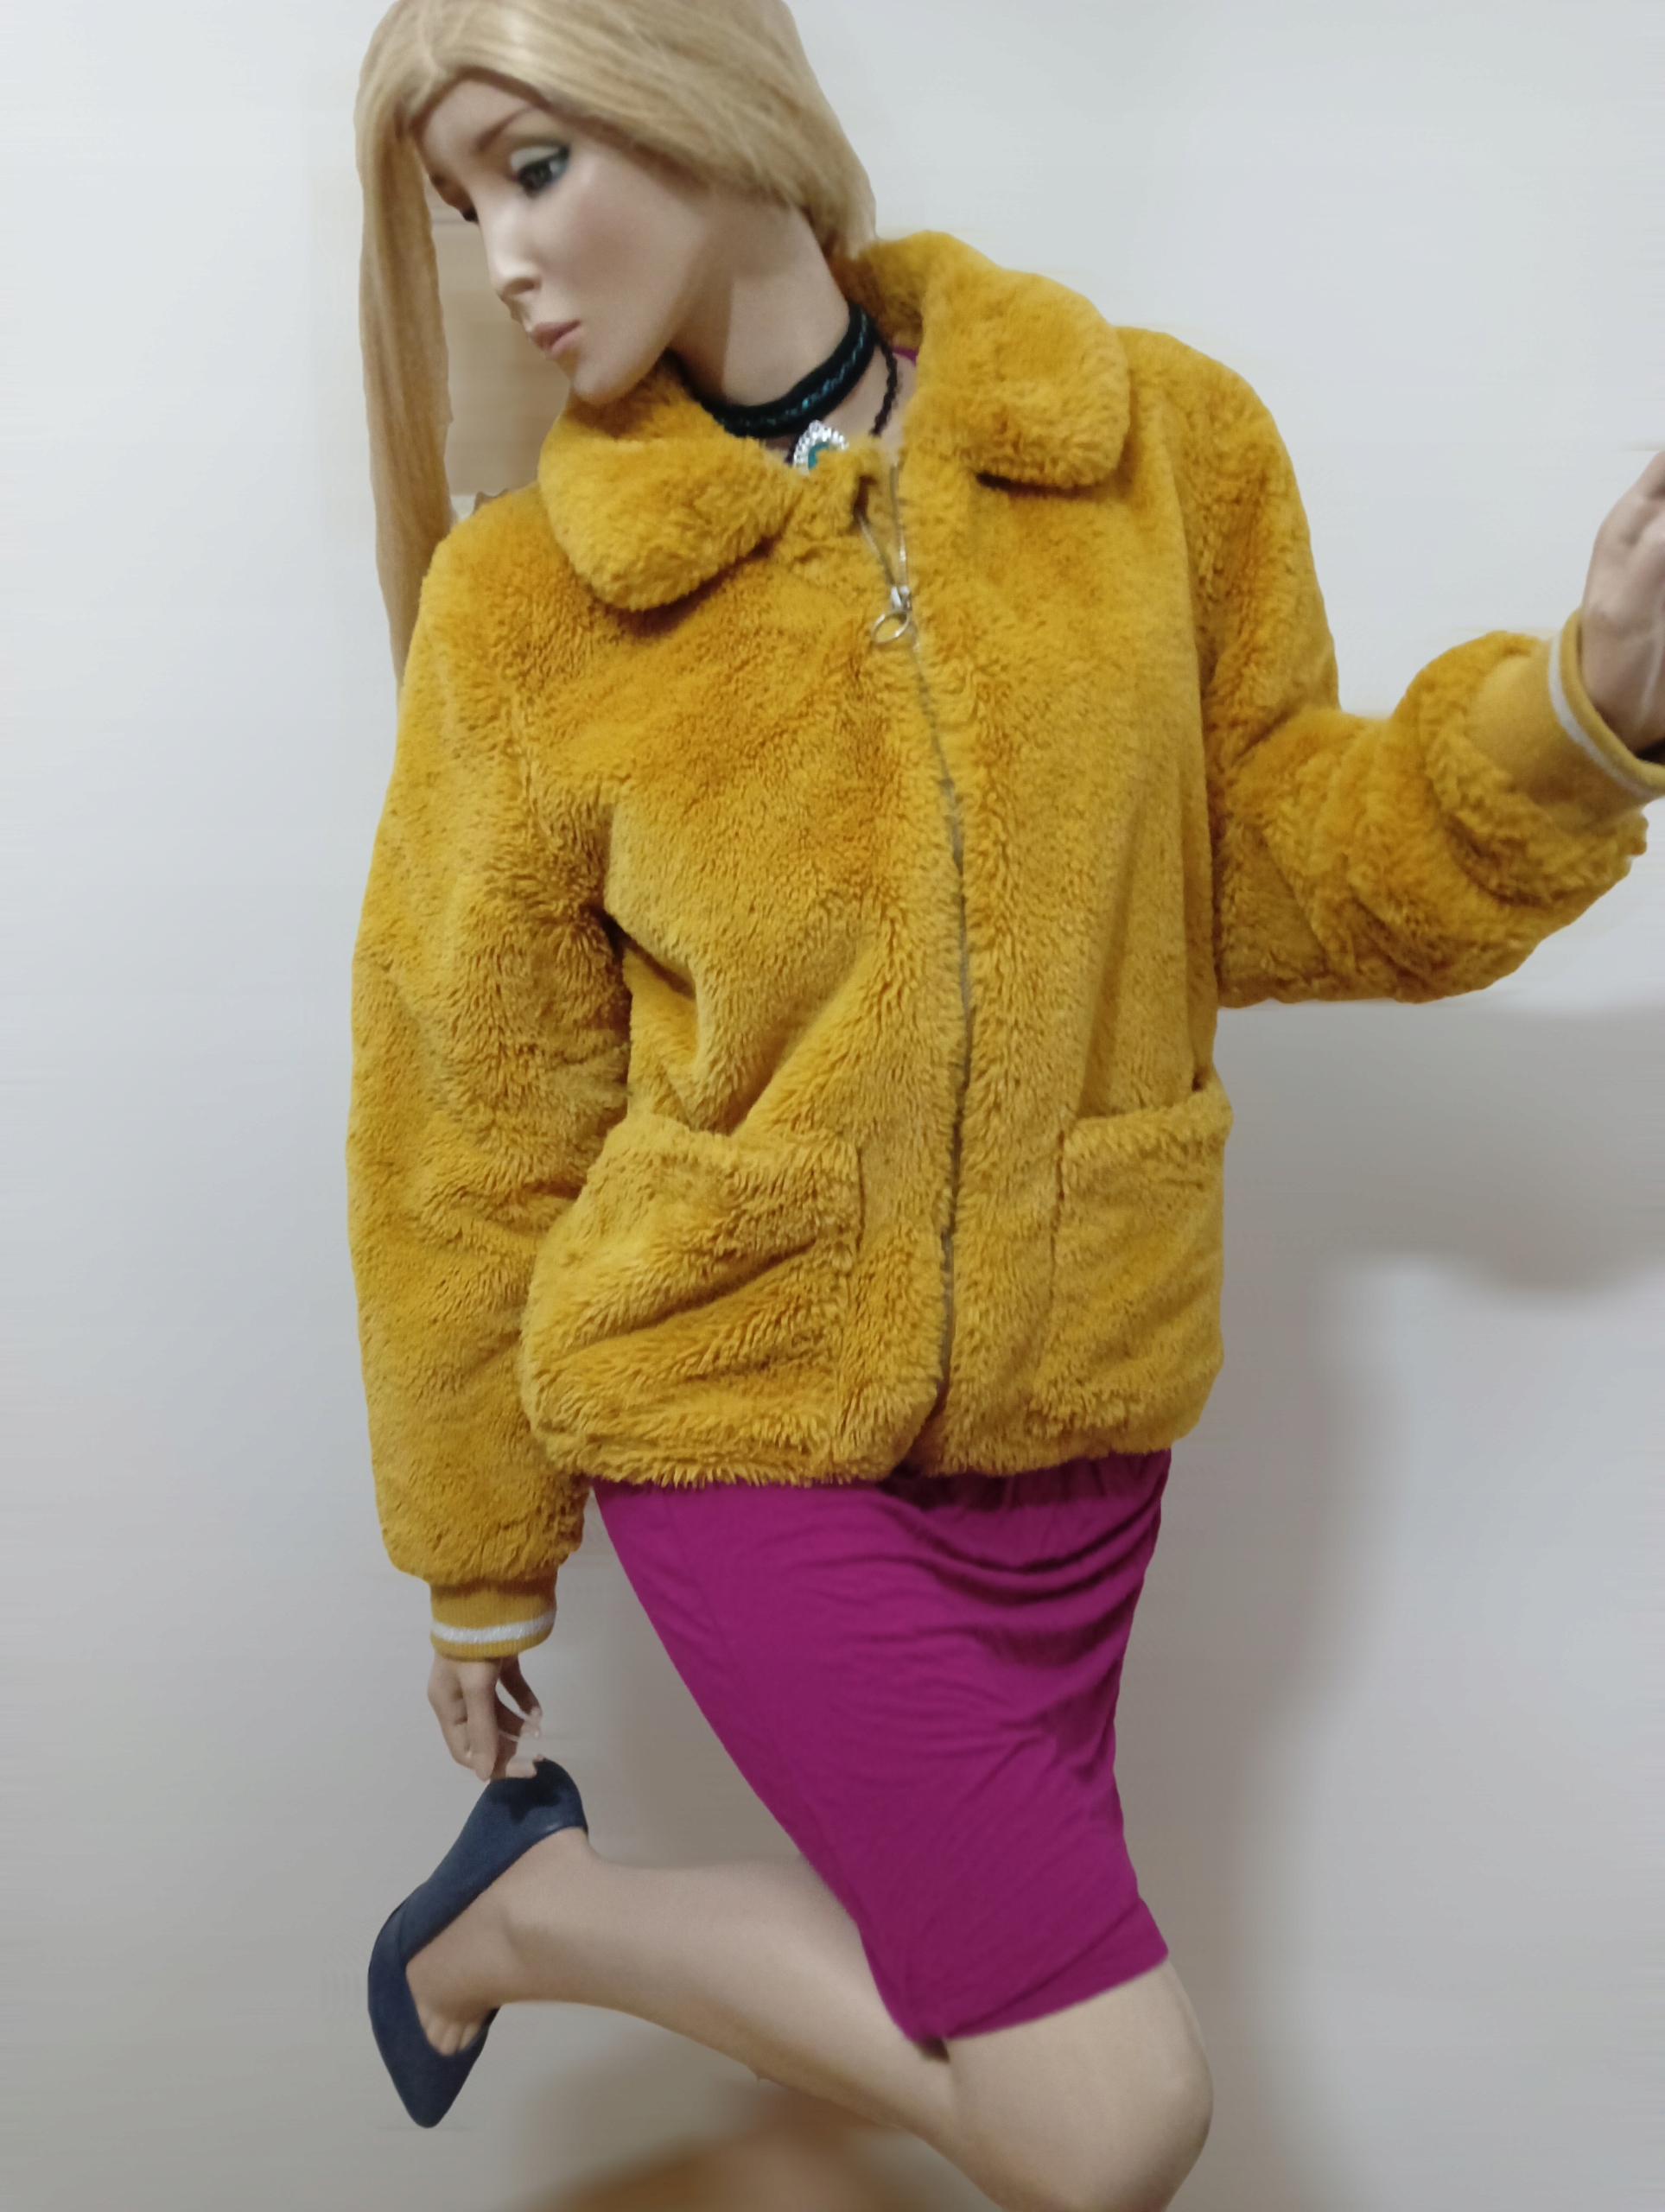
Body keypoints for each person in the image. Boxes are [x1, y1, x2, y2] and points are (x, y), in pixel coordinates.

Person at [346, 2, 1665, 2203]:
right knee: (1104, 2107)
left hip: (1076, 1427)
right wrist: (478, 1559)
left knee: (980, 2051)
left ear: (710, 96)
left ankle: (549, 1933)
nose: (502, 257)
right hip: (729, 1400)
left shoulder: (1151, 443)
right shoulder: (523, 606)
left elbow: (1281, 865)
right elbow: (465, 1105)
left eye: (533, 163)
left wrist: (1582, 714)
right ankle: (524, 1915)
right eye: (461, 202)